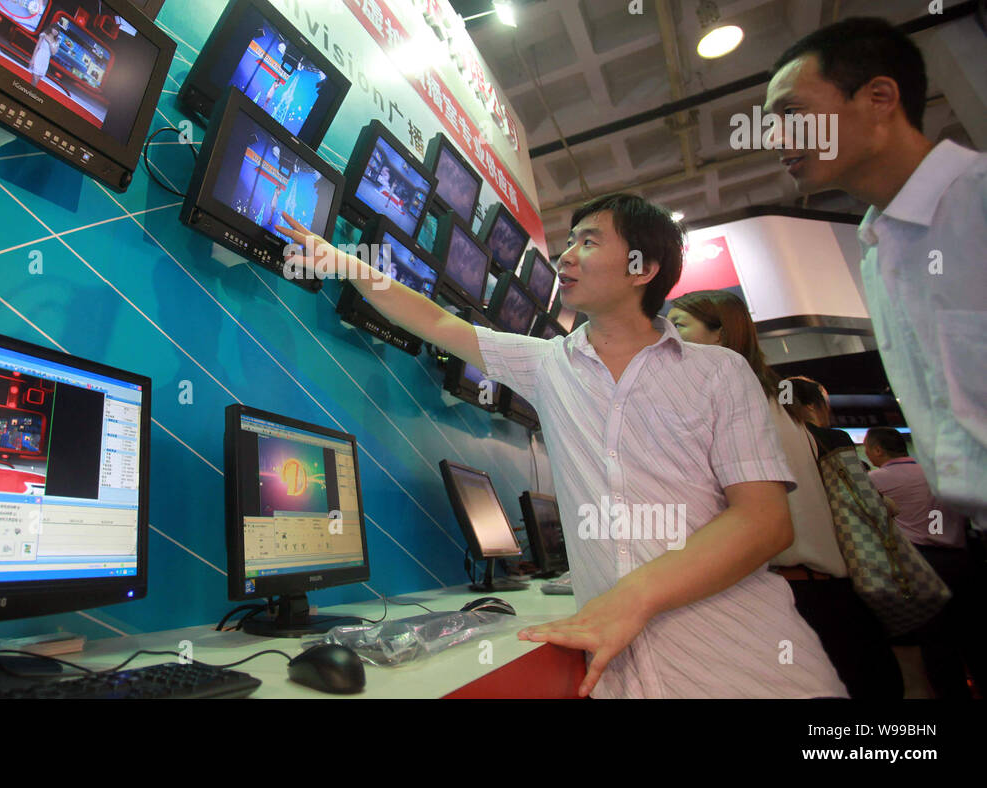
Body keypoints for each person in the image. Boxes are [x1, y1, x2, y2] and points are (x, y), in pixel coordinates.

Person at [277, 193, 846, 698]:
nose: (566, 256)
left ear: (640, 267)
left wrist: (634, 596)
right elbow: (435, 321)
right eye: (569, 240)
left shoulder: (719, 372)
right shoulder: (548, 365)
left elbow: (765, 522)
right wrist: (343, 262)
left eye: (588, 242)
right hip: (621, 675)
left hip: (746, 663)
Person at [765, 17, 986, 525]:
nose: (774, 136)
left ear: (879, 98)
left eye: (792, 112)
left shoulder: (977, 201)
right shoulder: (876, 249)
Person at [669, 290, 901, 698]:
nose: (668, 336)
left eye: (680, 325)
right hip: (828, 596)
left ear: (720, 335)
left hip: (799, 597)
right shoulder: (777, 402)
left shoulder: (739, 405)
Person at [865, 427, 986, 698]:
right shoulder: (938, 475)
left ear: (876, 450)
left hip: (920, 564)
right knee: (975, 638)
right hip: (962, 561)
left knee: (936, 644)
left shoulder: (876, 480)